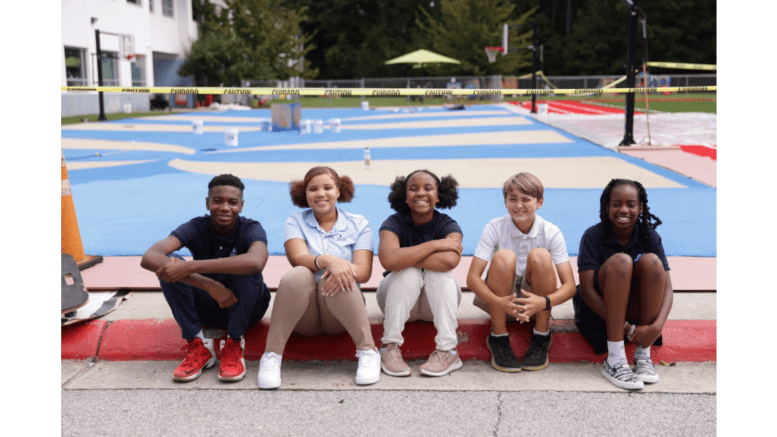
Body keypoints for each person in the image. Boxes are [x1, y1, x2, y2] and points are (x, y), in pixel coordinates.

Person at [257, 167, 380, 389]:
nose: (320, 193)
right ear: (304, 194)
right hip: (304, 314)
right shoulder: (295, 221)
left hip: (341, 312)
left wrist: (339, 268)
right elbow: (298, 258)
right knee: (298, 274)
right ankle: (272, 356)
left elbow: (363, 271)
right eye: (313, 189)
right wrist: (328, 261)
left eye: (327, 187)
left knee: (337, 276)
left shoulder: (359, 223)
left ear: (339, 191)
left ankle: (368, 350)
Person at [140, 174, 271, 383]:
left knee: (248, 272)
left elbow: (257, 261)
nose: (225, 207)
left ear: (242, 206)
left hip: (246, 308)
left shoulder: (251, 228)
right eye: (218, 201)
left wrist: (190, 266)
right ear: (207, 202)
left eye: (232, 202)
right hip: (206, 308)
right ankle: (198, 346)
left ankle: (234, 344)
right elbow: (150, 257)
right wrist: (208, 284)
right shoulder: (196, 226)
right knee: (170, 267)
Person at [467, 173, 575, 373]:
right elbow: (472, 278)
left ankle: (541, 335)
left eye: (526, 199)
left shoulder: (551, 232)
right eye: (513, 199)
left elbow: (570, 286)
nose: (519, 205)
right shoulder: (494, 227)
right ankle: (498, 337)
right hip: (500, 304)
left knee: (541, 256)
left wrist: (543, 302)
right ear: (505, 202)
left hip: (535, 308)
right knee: (504, 257)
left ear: (539, 202)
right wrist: (498, 302)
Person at [574, 178, 673, 390]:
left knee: (652, 262)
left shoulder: (649, 235)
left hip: (637, 319)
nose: (623, 209)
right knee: (622, 261)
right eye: (616, 203)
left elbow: (667, 288)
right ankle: (615, 359)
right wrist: (626, 328)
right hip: (600, 316)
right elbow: (587, 292)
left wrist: (656, 328)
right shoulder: (593, 236)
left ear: (641, 207)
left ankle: (642, 355)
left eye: (631, 204)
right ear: (607, 207)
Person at [377, 169, 464, 377]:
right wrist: (436, 245)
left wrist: (403, 256)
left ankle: (448, 351)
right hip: (397, 298)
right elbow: (388, 260)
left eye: (428, 188)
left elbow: (450, 261)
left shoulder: (448, 224)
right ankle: (389, 348)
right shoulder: (393, 223)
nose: (421, 193)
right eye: (413, 189)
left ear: (439, 195)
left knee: (439, 274)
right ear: (404, 197)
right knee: (408, 273)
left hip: (433, 304)